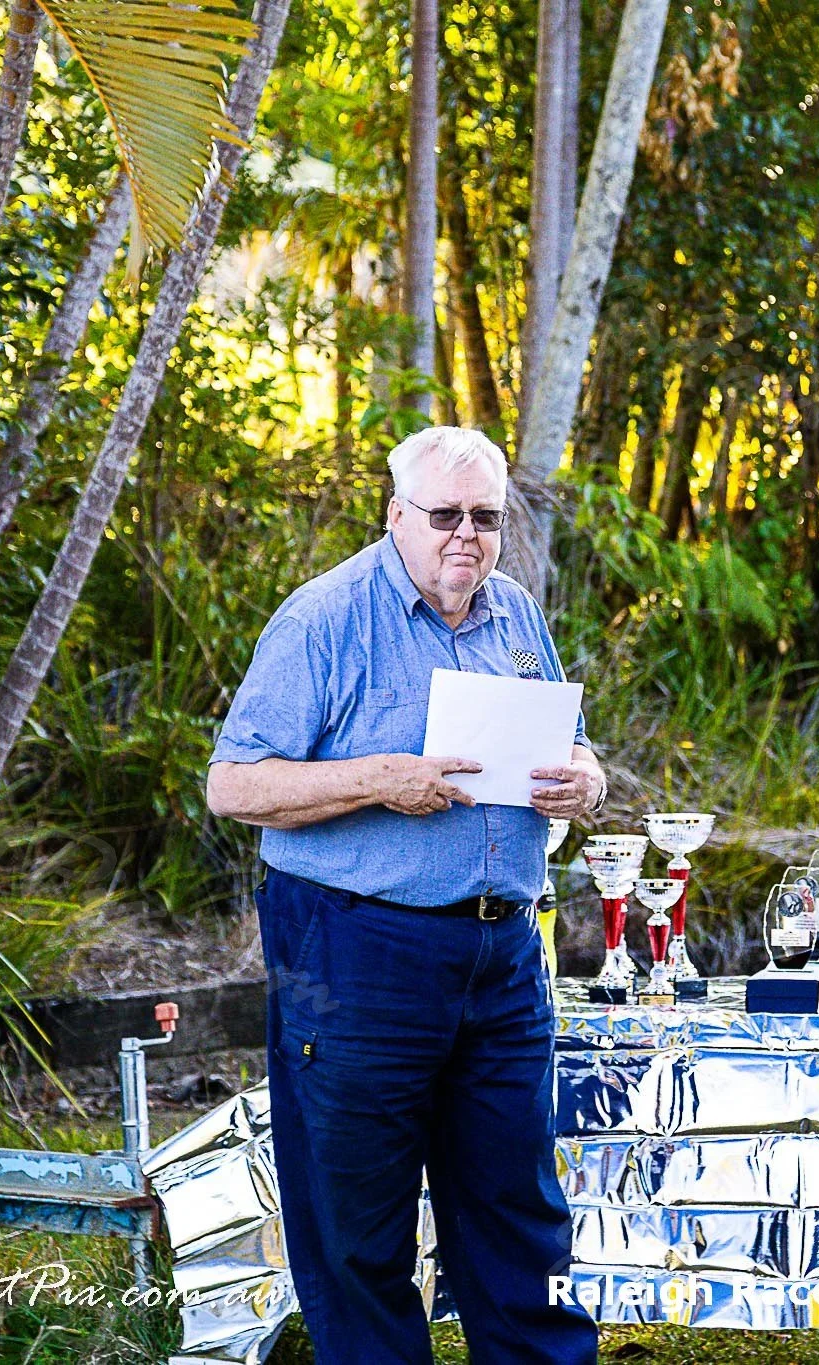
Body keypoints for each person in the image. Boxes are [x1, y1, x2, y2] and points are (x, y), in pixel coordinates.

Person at [204, 426, 603, 1365]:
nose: (467, 534)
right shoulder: (325, 618)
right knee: (359, 1225)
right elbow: (232, 784)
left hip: (503, 954)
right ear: (396, 515)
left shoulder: (514, 614)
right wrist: (378, 778)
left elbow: (572, 743)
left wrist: (586, 778)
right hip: (357, 951)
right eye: (445, 515)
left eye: (485, 518)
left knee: (520, 1211)